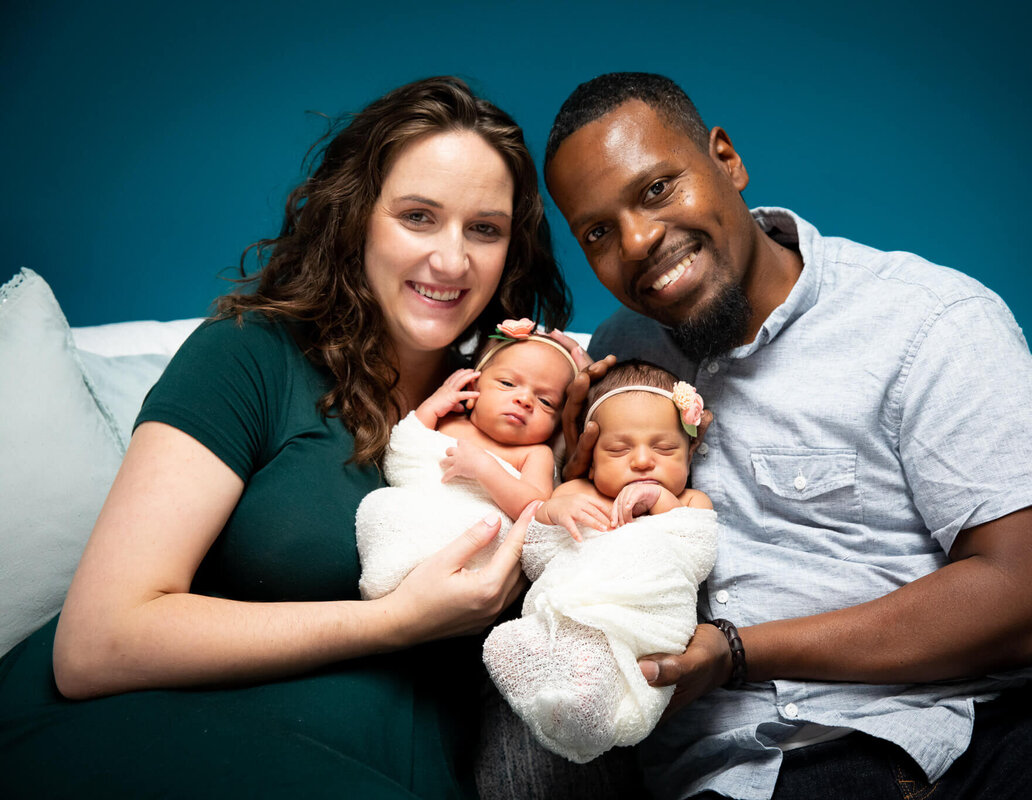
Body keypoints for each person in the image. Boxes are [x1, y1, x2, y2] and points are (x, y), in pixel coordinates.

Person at [541, 72, 1032, 799]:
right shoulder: (621, 357)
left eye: (658, 189)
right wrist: (565, 472)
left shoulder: (927, 319)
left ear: (725, 160)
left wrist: (736, 653)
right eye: (597, 232)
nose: (636, 242)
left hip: (993, 737)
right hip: (769, 778)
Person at [0, 76, 571, 798]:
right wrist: (397, 622)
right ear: (357, 218)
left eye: (484, 229)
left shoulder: (523, 410)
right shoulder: (251, 355)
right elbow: (96, 644)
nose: (453, 261)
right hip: (145, 741)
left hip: (387, 761)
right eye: (419, 216)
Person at [483, 360, 717, 765]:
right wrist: (552, 514)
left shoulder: (689, 503)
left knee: (597, 667)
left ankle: (586, 711)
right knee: (504, 646)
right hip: (572, 612)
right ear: (590, 457)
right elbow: (537, 555)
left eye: (664, 448)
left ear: (690, 452)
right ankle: (557, 697)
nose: (643, 461)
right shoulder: (577, 490)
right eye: (618, 449)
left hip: (639, 623)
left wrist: (658, 502)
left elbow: (696, 553)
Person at [356, 319, 578, 599]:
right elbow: (402, 452)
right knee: (379, 505)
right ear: (474, 385)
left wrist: (487, 470)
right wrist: (431, 407)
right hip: (415, 518)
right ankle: (390, 578)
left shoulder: (534, 453)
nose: (525, 400)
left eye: (546, 402)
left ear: (557, 423)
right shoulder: (448, 423)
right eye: (508, 383)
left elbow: (535, 510)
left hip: (471, 544)